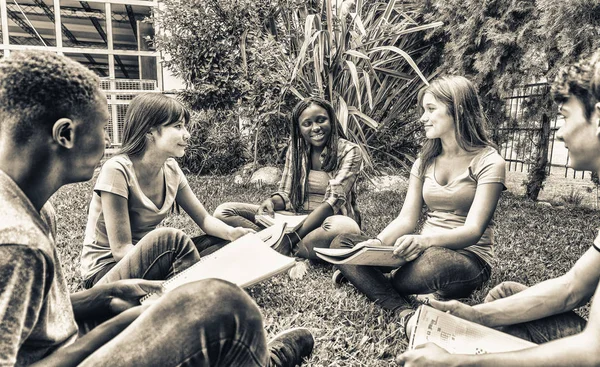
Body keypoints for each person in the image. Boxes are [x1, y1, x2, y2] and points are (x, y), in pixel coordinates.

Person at [0, 50, 313, 367]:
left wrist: (108, 295)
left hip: (65, 338)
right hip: (64, 354)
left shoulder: (33, 207)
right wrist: (120, 325)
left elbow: (45, 315)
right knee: (223, 304)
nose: (109, 138)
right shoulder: (15, 241)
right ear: (65, 134)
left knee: (201, 291)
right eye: (104, 127)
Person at [397, 52, 600, 367]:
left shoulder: (486, 160)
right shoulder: (427, 160)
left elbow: (593, 352)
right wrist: (476, 314)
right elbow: (573, 288)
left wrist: (458, 363)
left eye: (564, 116)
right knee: (505, 295)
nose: (560, 132)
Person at [331, 76, 506, 326]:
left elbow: (473, 231)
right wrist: (376, 244)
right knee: (343, 242)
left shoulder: (489, 162)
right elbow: (406, 219)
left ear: (458, 109)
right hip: (416, 253)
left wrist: (424, 242)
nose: (422, 117)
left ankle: (367, 280)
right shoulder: (424, 161)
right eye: (423, 110)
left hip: (464, 260)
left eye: (431, 109)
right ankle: (402, 309)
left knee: (434, 262)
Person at [80, 93, 254, 288]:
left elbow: (204, 220)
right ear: (150, 131)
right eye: (178, 126)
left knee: (223, 242)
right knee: (171, 240)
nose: (187, 134)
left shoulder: (171, 169)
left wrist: (233, 234)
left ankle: (183, 280)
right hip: (107, 272)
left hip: (151, 260)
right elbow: (120, 250)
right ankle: (182, 283)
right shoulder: (117, 169)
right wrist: (166, 258)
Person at [214, 97, 362, 258]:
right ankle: (285, 246)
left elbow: (332, 203)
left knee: (345, 227)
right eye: (307, 123)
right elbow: (286, 194)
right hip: (293, 220)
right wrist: (272, 201)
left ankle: (280, 245)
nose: (316, 128)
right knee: (224, 211)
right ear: (299, 128)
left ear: (332, 121)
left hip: (324, 225)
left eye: (321, 120)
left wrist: (291, 239)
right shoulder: (297, 150)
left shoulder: (350, 151)